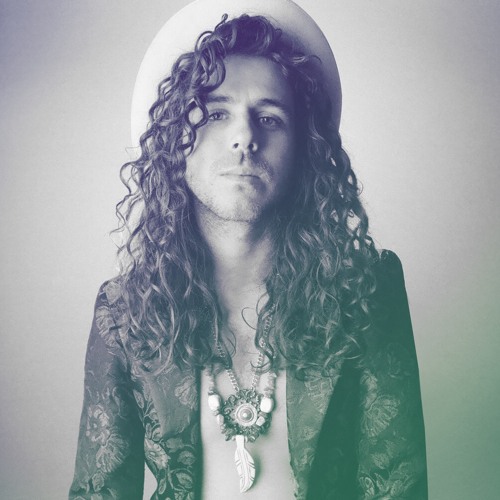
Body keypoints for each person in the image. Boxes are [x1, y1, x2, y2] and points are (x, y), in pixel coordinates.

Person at [69, 1, 427, 498]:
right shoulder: (126, 314)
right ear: (175, 140)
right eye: (217, 113)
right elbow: (97, 491)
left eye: (270, 118)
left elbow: (397, 488)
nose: (244, 136)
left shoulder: (364, 293)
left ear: (304, 147)